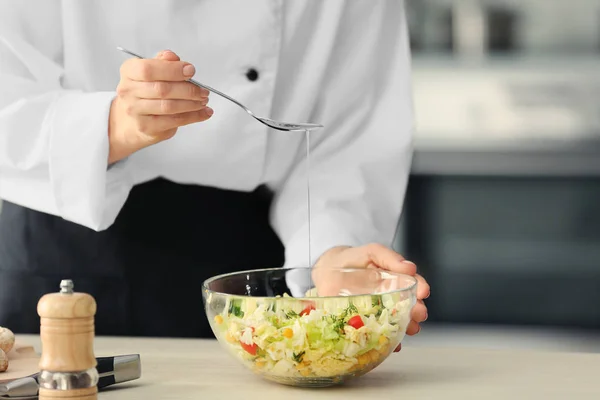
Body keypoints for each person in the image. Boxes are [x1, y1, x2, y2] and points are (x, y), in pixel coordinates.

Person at [0, 0, 429, 344]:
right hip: (58, 251)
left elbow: (345, 134)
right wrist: (108, 128)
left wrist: (332, 251)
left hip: (249, 271)